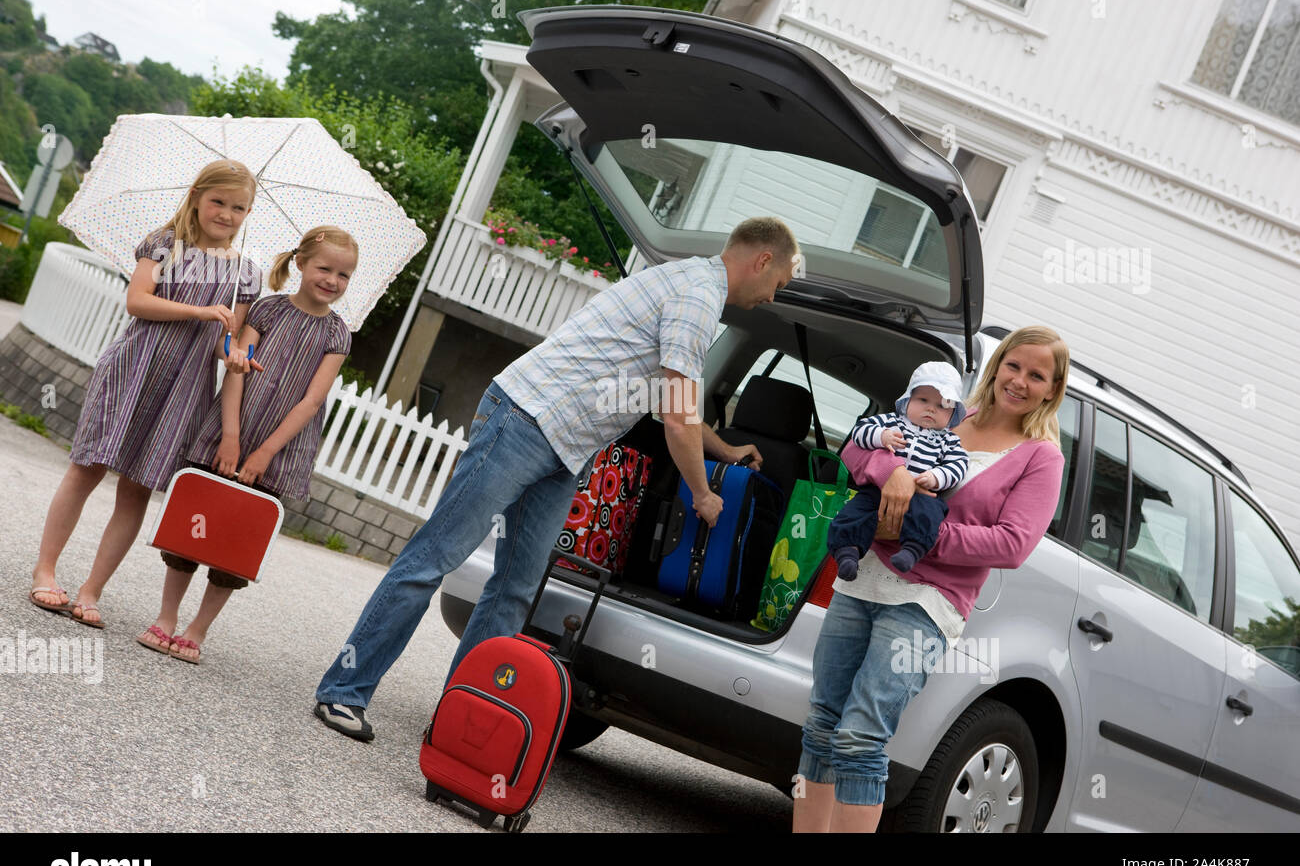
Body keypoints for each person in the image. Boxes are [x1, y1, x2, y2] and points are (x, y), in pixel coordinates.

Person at [313, 216, 800, 741]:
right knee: (433, 558)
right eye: (779, 285)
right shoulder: (699, 296)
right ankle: (344, 691)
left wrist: (725, 449)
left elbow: (668, 403)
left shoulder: (688, 283)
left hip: (566, 447)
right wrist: (702, 495)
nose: (774, 297)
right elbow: (678, 417)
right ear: (763, 260)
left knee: (516, 590)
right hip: (524, 420)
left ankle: (458, 722)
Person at [793, 325, 1069, 833]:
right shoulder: (946, 414)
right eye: (1014, 366)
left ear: (1052, 389)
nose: (1020, 381)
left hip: (927, 604)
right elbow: (857, 449)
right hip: (862, 581)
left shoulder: (1040, 457)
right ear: (997, 366)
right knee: (821, 724)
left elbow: (1011, 543)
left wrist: (920, 535)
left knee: (860, 736)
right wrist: (890, 473)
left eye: (1037, 375)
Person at [28, 160, 261, 628]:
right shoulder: (163, 244)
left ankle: (92, 591)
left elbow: (228, 340)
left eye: (240, 208)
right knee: (85, 471)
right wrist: (197, 311)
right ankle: (45, 569)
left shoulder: (246, 273)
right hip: (131, 369)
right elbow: (137, 302)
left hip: (183, 389)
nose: (227, 214)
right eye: (219, 201)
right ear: (197, 195)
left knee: (134, 491)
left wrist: (236, 355)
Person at [136, 226, 356, 664]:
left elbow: (312, 401)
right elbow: (235, 369)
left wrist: (265, 452)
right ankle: (166, 618)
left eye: (344, 275)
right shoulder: (266, 311)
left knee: (237, 538)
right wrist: (232, 438)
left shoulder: (337, 335)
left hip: (278, 448)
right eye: (324, 268)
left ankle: (197, 631)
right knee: (194, 524)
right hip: (231, 430)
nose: (332, 280)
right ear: (301, 264)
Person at [827, 361, 969, 579]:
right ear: (907, 400)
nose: (931, 408)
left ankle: (912, 550)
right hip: (878, 489)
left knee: (930, 512)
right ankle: (847, 552)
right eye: (923, 400)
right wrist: (881, 437)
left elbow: (959, 465)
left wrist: (936, 477)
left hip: (921, 493)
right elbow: (860, 431)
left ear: (952, 414)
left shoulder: (948, 440)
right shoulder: (893, 422)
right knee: (854, 511)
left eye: (942, 406)